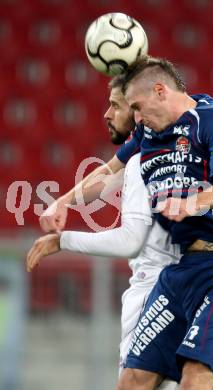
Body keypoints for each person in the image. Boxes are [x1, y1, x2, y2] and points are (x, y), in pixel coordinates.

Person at [111, 56, 213, 390]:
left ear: (160, 90)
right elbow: (108, 171)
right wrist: (64, 202)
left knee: (195, 378)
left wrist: (191, 203)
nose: (136, 118)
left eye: (137, 107)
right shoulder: (151, 134)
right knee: (132, 380)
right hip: (182, 270)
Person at [27, 76, 181, 389]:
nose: (107, 114)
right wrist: (63, 203)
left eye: (116, 105)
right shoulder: (166, 153)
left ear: (137, 112)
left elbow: (130, 240)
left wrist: (63, 240)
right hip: (180, 287)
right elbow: (105, 177)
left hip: (153, 291)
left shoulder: (143, 161)